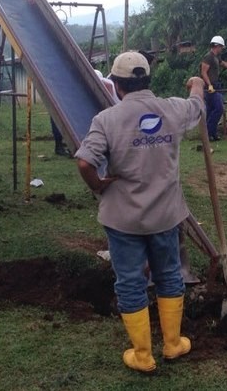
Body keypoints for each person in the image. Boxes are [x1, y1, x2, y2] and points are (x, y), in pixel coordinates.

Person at [75, 51, 204, 373]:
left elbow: (84, 162)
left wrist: (100, 185)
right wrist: (198, 83)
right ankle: (173, 344)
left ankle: (142, 355)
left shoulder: (107, 120)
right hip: (165, 215)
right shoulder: (173, 109)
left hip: (124, 219)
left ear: (116, 85)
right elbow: (198, 107)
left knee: (131, 281)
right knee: (168, 275)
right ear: (148, 80)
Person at [199, 35, 227, 141]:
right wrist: (209, 84)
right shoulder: (208, 57)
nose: (221, 49)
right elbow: (203, 72)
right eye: (221, 47)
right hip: (210, 88)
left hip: (215, 86)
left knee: (211, 110)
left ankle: (211, 134)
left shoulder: (216, 57)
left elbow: (224, 64)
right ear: (216, 46)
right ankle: (209, 133)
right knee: (219, 109)